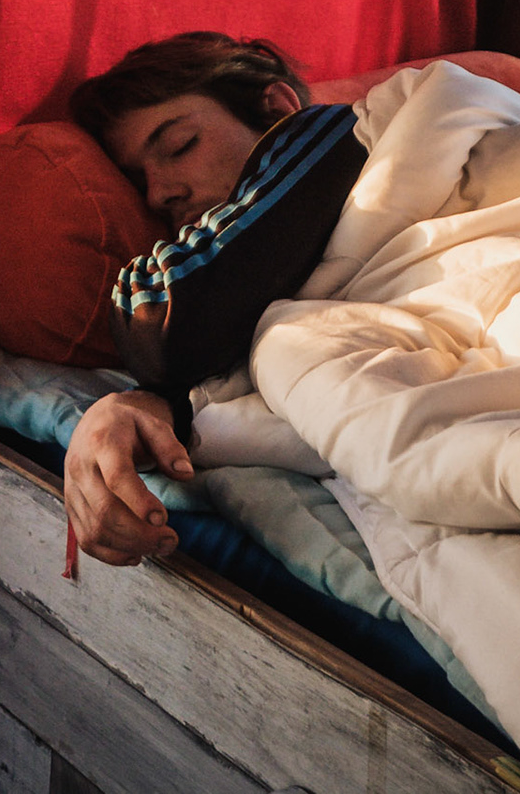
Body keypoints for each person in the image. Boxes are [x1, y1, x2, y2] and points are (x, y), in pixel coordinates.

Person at [62, 31, 328, 567]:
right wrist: (136, 406)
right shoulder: (266, 279)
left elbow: (168, 324)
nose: (159, 193)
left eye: (180, 146)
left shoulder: (346, 136)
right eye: (138, 179)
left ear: (278, 108)